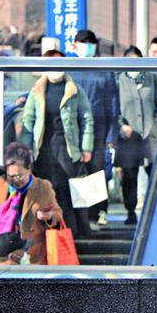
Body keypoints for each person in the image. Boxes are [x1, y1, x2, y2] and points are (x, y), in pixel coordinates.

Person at [20, 66, 95, 241]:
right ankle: (47, 239)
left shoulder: (74, 89)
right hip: (42, 151)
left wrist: (86, 147)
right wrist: (26, 150)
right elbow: (28, 120)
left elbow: (86, 118)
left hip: (67, 149)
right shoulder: (36, 90)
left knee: (67, 193)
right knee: (46, 194)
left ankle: (71, 237)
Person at [0, 143, 63, 264]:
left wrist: (50, 216)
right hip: (3, 254)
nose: (15, 180)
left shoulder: (43, 187)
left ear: (29, 169)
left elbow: (57, 215)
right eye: (11, 176)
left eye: (19, 176)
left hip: (30, 256)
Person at [69, 29, 120, 227]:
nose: (87, 47)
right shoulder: (68, 69)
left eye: (91, 43)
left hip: (99, 132)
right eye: (84, 43)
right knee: (75, 174)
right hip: (73, 133)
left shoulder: (104, 70)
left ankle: (97, 213)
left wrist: (111, 137)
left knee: (97, 175)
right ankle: (79, 217)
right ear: (75, 45)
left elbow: (113, 107)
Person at [115, 45, 157, 225]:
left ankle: (155, 211)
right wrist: (121, 125)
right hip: (128, 137)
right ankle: (130, 212)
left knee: (155, 173)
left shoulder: (152, 78)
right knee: (129, 175)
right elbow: (114, 107)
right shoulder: (118, 80)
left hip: (151, 135)